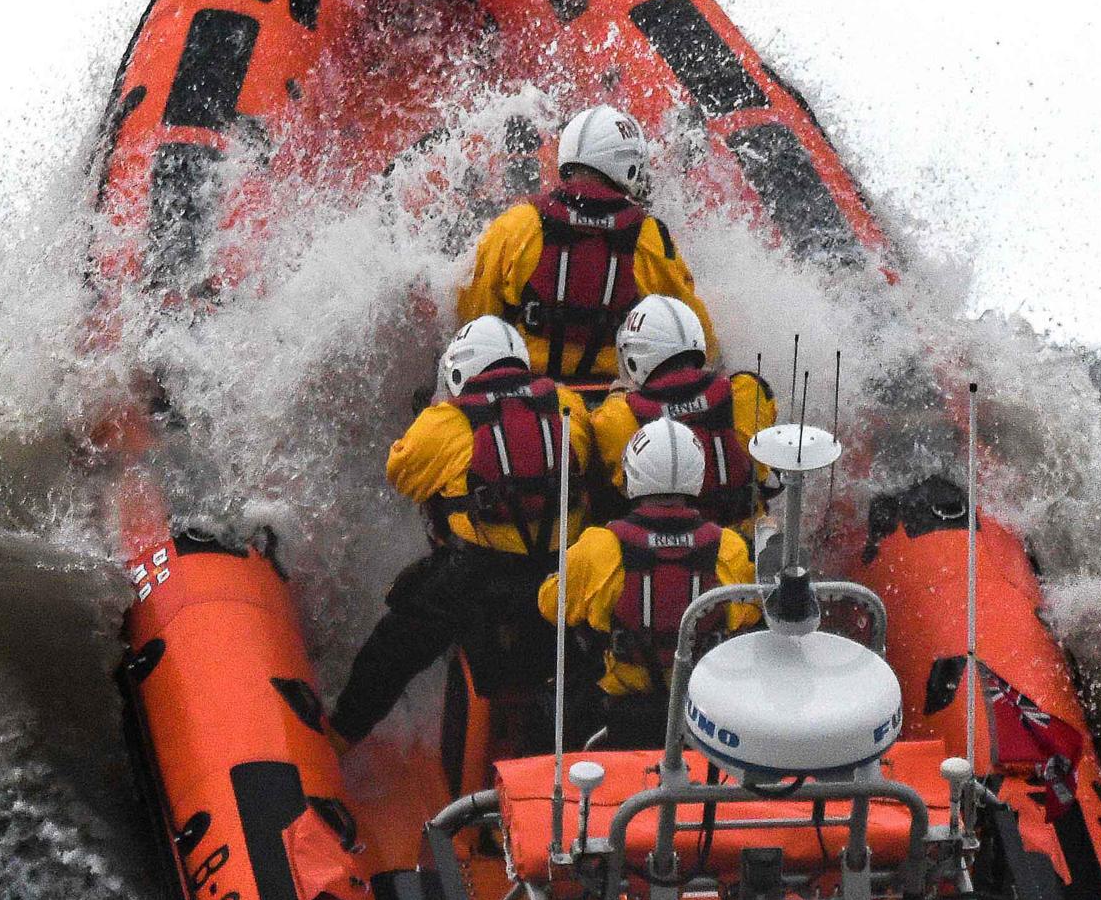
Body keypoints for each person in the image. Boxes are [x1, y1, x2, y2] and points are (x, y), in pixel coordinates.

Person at [328, 316, 602, 747]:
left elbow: (403, 474)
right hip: (562, 576)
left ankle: (342, 734)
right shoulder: (568, 404)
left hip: (478, 580)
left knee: (395, 646)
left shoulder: (447, 423)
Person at [541, 416, 761, 746]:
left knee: (542, 715)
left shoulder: (599, 546)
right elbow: (752, 612)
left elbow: (551, 607)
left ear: (633, 474)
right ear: (698, 475)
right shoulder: (728, 547)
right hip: (705, 713)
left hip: (615, 715)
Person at [452, 105, 710, 384]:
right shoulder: (649, 236)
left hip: (530, 406)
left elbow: (472, 318)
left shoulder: (516, 225)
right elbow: (693, 333)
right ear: (628, 164)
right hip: (617, 408)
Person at [584, 296, 776, 530]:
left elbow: (620, 486)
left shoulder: (617, 414)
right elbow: (764, 472)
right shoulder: (748, 390)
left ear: (636, 356)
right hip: (744, 550)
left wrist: (618, 395)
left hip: (662, 555)